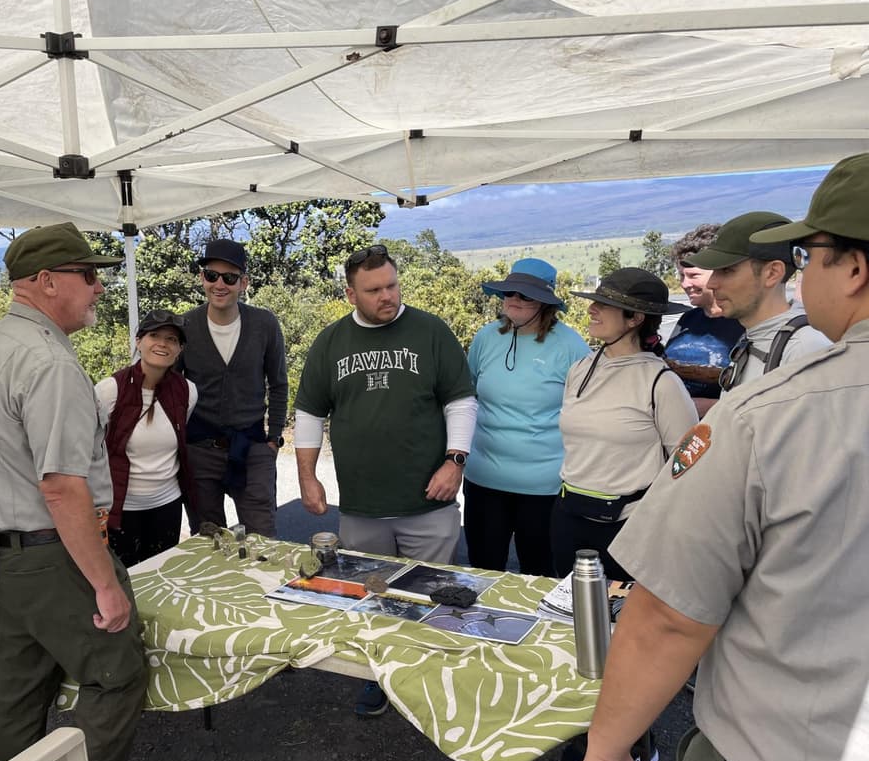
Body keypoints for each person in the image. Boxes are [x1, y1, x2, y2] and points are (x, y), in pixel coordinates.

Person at [577, 154, 869, 761]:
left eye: (812, 257)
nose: (709, 282)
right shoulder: (757, 359)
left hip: (784, 741)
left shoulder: (780, 400)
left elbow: (669, 615)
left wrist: (605, 753)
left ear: (853, 268)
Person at [0, 222, 146, 761]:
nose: (99, 288)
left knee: (19, 693)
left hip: (3, 557)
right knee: (119, 674)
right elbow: (61, 486)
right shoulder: (49, 362)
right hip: (49, 554)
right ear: (45, 281)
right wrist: (106, 585)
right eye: (87, 275)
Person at [293, 243, 476, 716]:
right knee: (372, 597)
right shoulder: (331, 343)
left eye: (392, 285)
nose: (387, 296)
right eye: (374, 290)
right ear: (351, 293)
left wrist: (455, 460)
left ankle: (429, 684)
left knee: (433, 598)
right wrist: (307, 478)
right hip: (362, 505)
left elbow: (461, 401)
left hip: (429, 502)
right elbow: (310, 413)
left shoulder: (430, 331)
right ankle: (379, 677)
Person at [551, 267, 697, 583]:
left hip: (628, 526)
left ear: (635, 318)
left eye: (604, 304)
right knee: (569, 619)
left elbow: (687, 461)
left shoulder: (661, 382)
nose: (592, 309)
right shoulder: (580, 369)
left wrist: (657, 519)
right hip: (567, 515)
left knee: (624, 623)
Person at [463, 258, 589, 575]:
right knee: (482, 571)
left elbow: (587, 414)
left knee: (539, 573)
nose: (514, 301)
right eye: (509, 293)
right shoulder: (485, 338)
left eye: (526, 295)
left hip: (544, 488)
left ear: (546, 302)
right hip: (483, 481)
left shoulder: (572, 347)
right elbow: (467, 396)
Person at [180, 239, 288, 537]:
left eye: (229, 278)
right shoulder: (185, 326)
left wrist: (274, 438)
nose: (220, 284)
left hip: (252, 447)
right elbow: (173, 391)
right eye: (212, 275)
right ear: (202, 278)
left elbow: (278, 383)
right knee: (208, 539)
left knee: (262, 539)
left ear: (244, 283)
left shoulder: (264, 323)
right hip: (200, 450)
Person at [685, 210, 831, 391]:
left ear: (772, 273)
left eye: (727, 270)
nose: (712, 283)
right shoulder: (754, 336)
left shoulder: (804, 349)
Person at [97, 310, 197, 567]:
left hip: (167, 507)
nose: (162, 344)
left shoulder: (187, 391)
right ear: (139, 340)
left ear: (180, 349)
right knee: (124, 586)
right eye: (154, 335)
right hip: (121, 510)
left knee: (161, 582)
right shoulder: (110, 390)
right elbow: (89, 451)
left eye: (172, 339)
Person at [663, 224, 745, 417]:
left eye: (693, 276)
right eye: (682, 276)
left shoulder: (744, 324)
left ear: (719, 273)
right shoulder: (688, 319)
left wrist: (709, 406)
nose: (685, 284)